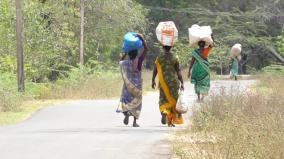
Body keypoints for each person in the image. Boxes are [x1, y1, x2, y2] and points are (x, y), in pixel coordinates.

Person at [118, 33, 148, 127]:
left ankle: (126, 113)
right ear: (136, 53)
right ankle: (134, 122)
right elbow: (146, 50)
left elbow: (120, 61)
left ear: (129, 54)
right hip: (137, 86)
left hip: (128, 87)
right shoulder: (139, 61)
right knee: (137, 103)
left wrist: (125, 52)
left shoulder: (125, 63)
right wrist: (142, 39)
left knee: (126, 100)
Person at [152, 45, 184, 127]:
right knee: (173, 100)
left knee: (163, 99)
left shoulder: (159, 57)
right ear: (171, 46)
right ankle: (170, 121)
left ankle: (164, 111)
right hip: (173, 82)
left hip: (163, 82)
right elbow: (178, 71)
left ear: (163, 47)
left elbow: (155, 69)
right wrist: (182, 83)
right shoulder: (175, 57)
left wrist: (153, 80)